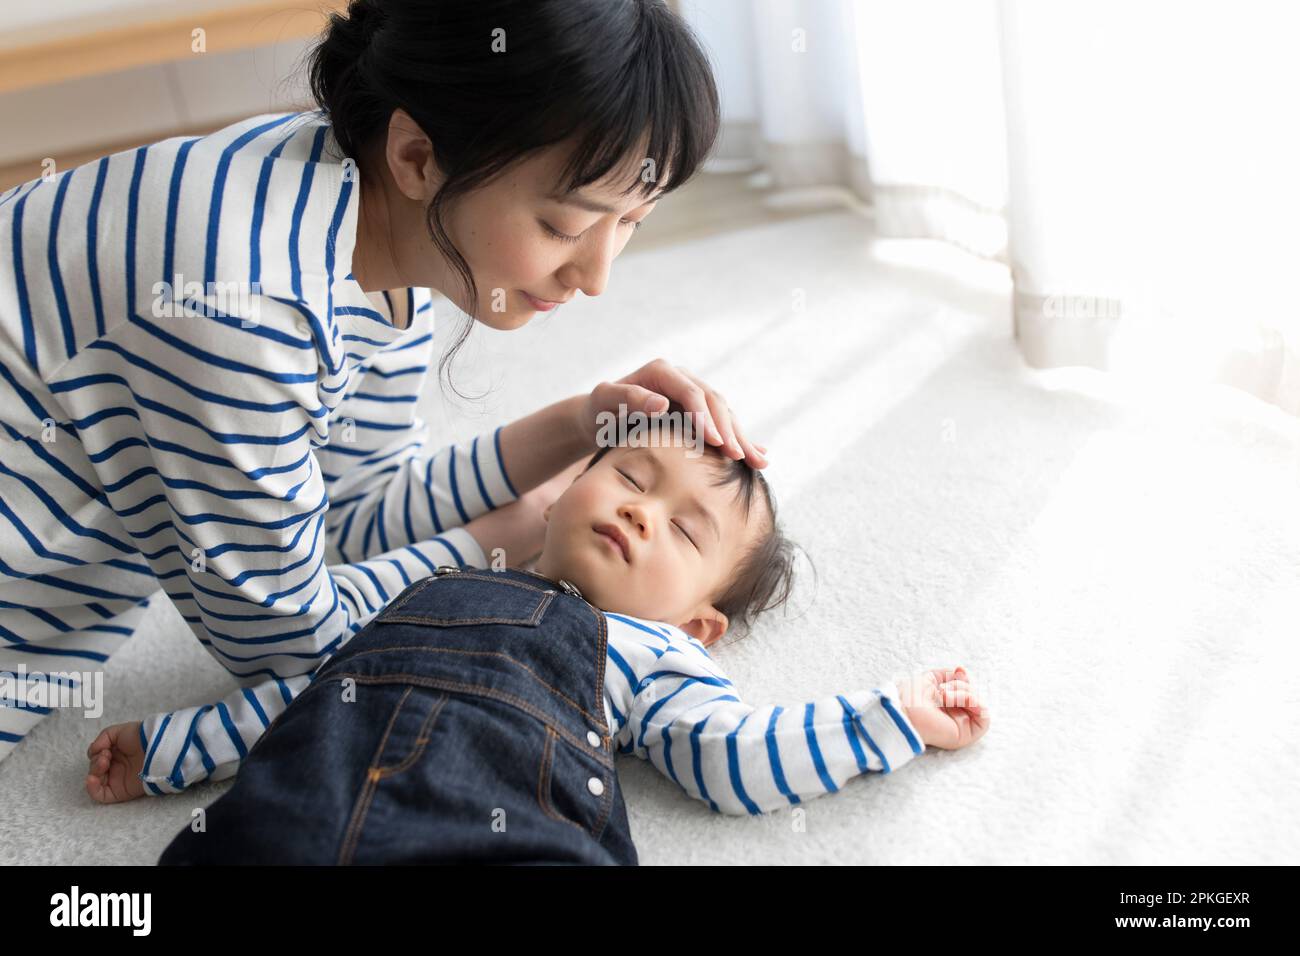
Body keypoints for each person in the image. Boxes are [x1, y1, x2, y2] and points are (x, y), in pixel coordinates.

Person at [0, 0, 767, 762]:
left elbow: (352, 515)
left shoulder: (370, 231)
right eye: (566, 224)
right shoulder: (248, 306)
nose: (596, 275)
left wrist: (580, 423)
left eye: (631, 222)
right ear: (417, 157)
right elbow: (296, 649)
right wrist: (507, 538)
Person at [85, 408, 990, 865]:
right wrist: (168, 750)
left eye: (683, 532)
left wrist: (894, 716)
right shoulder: (434, 586)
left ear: (698, 625)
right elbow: (309, 698)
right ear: (561, 497)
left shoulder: (653, 652)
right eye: (631, 474)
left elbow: (732, 759)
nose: (642, 510)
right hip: (295, 820)